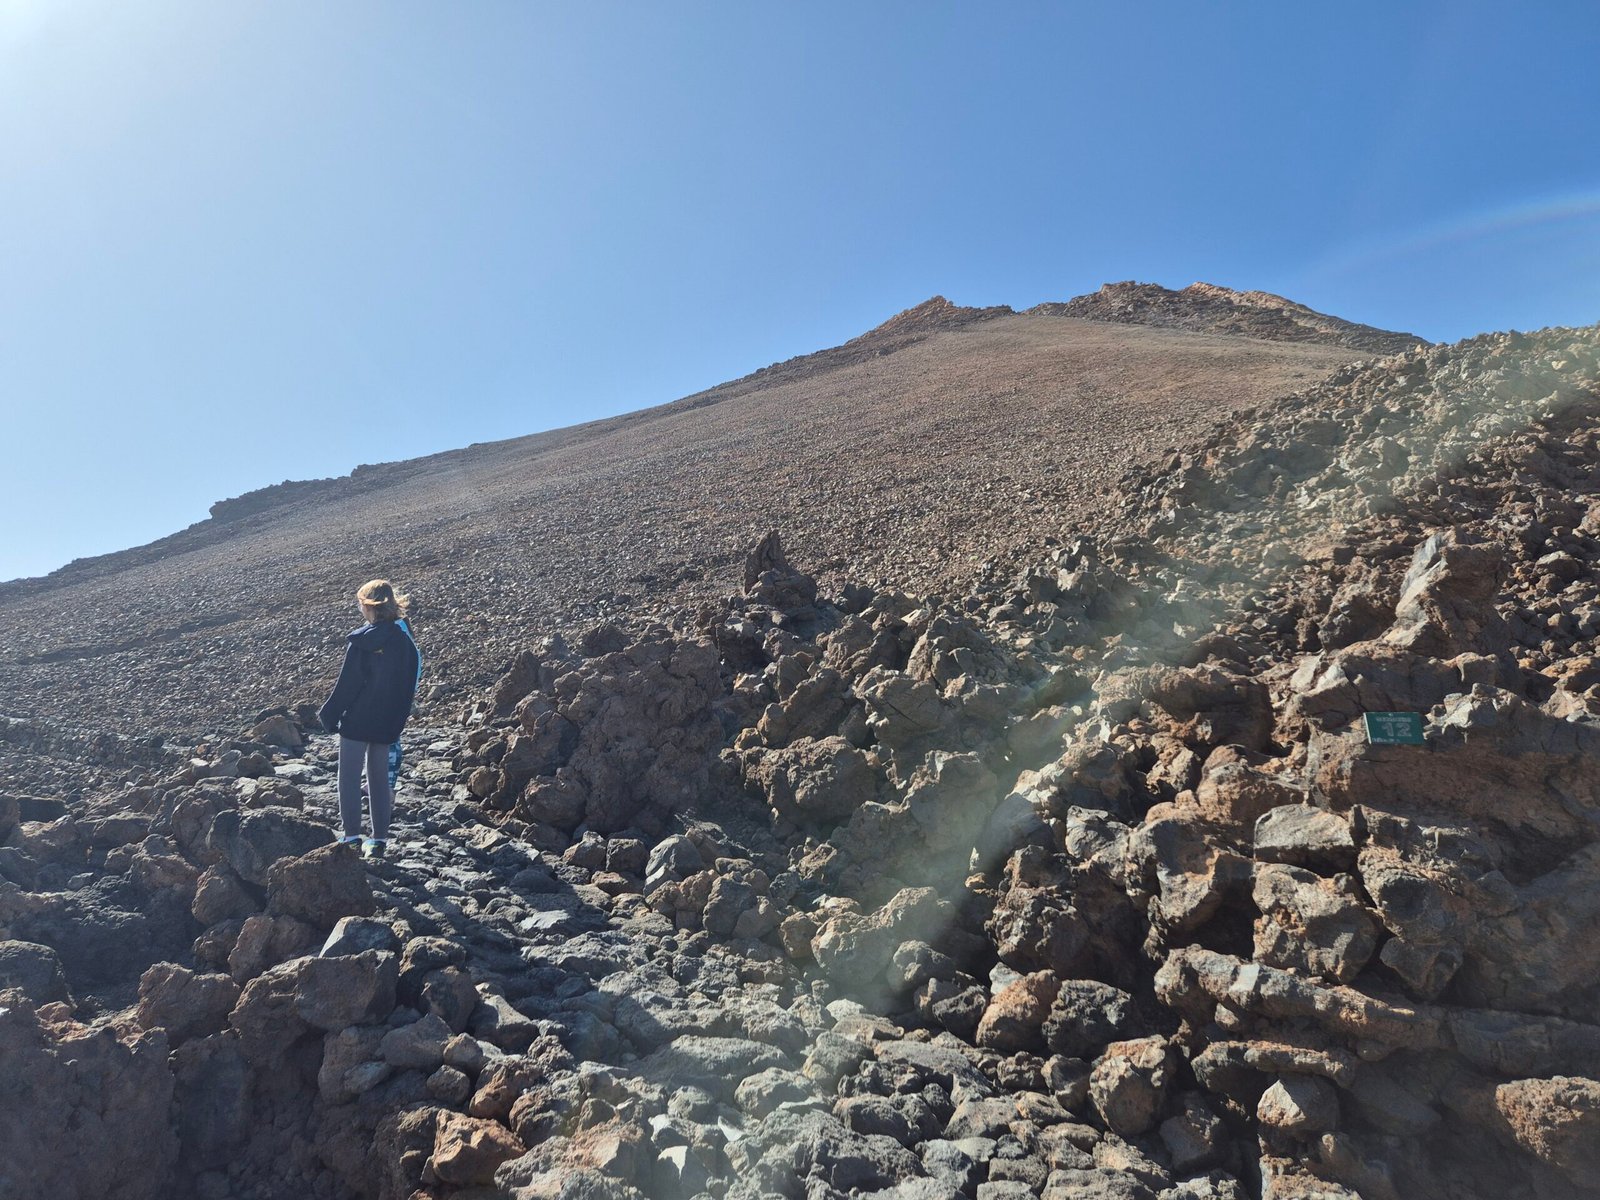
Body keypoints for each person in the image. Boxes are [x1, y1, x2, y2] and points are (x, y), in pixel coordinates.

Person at [318, 580, 421, 858]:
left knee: (349, 778)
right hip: (388, 720)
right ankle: (379, 843)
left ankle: (351, 837)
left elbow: (348, 685)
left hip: (358, 720)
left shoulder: (361, 641)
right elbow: (408, 685)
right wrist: (397, 720)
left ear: (367, 605)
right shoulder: (405, 642)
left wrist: (330, 716)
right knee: (379, 780)